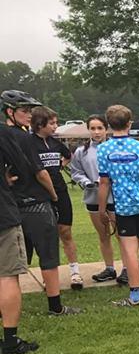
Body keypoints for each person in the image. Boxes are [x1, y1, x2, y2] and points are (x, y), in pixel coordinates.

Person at [2, 90, 79, 316]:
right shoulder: (26, 138)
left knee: (11, 262)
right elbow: (40, 172)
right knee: (48, 256)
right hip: (36, 203)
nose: (29, 115)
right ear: (10, 112)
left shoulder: (3, 135)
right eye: (25, 111)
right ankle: (55, 306)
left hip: (11, 206)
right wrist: (54, 196)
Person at [96, 105, 139, 307]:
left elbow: (104, 182)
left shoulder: (104, 149)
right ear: (129, 124)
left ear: (108, 125)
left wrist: (101, 208)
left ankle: (135, 294)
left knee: (129, 251)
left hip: (123, 207)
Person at [29, 106, 83, 290]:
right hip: (41, 194)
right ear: (39, 124)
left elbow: (69, 155)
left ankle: (75, 272)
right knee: (47, 235)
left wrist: (60, 165)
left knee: (65, 231)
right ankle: (49, 275)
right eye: (51, 123)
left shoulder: (55, 143)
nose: (55, 126)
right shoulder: (29, 143)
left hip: (60, 190)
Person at [68, 114, 126, 285]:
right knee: (103, 234)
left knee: (121, 235)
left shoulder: (114, 148)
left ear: (106, 129)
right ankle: (109, 268)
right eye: (92, 128)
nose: (96, 132)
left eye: (100, 128)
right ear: (88, 130)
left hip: (115, 197)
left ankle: (127, 268)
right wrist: (87, 182)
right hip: (93, 197)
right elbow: (76, 171)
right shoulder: (82, 151)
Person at [0, 120, 38, 354]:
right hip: (3, 215)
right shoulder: (3, 133)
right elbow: (22, 167)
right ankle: (11, 340)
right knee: (7, 276)